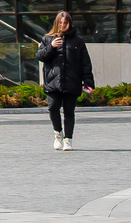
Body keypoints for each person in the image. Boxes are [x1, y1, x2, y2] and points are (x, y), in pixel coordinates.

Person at [36, 10, 94, 151]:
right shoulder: (47, 39)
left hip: (72, 81)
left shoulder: (78, 41)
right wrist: (51, 47)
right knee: (53, 107)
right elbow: (40, 56)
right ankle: (58, 134)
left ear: (70, 23)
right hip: (53, 81)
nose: (63, 25)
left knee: (69, 112)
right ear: (56, 23)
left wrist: (88, 81)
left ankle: (68, 139)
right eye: (60, 23)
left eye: (65, 23)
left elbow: (85, 62)